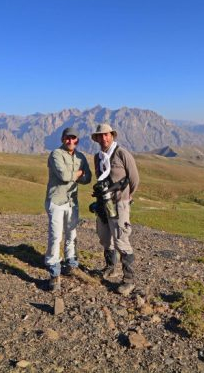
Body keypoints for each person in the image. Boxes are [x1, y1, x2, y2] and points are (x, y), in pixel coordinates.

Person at [91, 123, 140, 295]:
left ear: (112, 135)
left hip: (120, 203)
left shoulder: (121, 153)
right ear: (96, 138)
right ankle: (111, 267)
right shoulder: (98, 157)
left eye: (107, 135)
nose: (104, 138)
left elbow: (134, 179)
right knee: (105, 237)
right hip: (104, 203)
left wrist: (126, 197)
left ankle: (129, 280)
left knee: (121, 238)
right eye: (100, 135)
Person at [44, 127, 92, 291]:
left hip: (72, 202)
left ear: (77, 140)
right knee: (56, 236)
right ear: (62, 139)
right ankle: (54, 271)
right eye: (67, 138)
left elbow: (88, 178)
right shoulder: (56, 154)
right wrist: (78, 173)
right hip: (57, 201)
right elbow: (64, 177)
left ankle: (71, 263)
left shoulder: (81, 156)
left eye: (74, 138)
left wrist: (79, 175)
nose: (71, 141)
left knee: (72, 235)